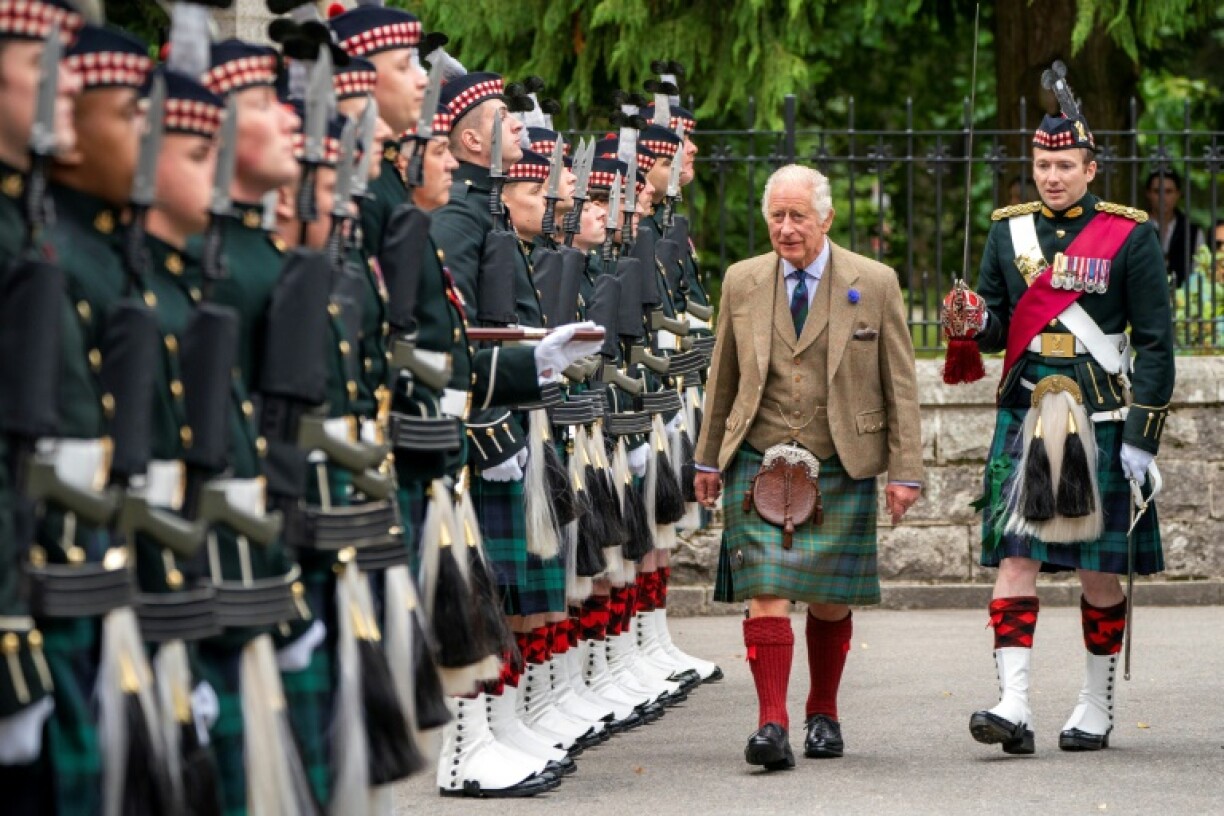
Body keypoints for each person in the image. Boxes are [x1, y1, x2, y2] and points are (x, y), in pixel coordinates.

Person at [946, 70, 1174, 756]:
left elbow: (1158, 343)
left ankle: (1094, 702)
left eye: (1064, 165)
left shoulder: (1127, 237)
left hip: (1100, 417)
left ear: (1090, 167)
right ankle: (1013, 704)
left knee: (1098, 572)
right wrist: (977, 317)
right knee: (1014, 559)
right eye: (1042, 165)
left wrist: (1142, 437)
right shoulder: (1007, 233)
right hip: (1028, 410)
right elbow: (996, 327)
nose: (1051, 176)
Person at [693, 163, 923, 770]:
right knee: (765, 592)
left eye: (798, 216)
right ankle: (772, 723)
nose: (787, 228)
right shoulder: (742, 281)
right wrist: (706, 457)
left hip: (839, 460)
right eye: (777, 216)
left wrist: (905, 471)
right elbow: (722, 378)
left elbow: (900, 382)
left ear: (826, 218)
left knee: (828, 600)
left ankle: (824, 710)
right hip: (755, 456)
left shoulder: (872, 282)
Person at [1145, 168, 1204, 288]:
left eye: (1168, 191)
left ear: (1178, 194)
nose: (1163, 197)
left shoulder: (1193, 232)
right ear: (1148, 194)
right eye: (1157, 191)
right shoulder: (1137, 228)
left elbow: (1200, 272)